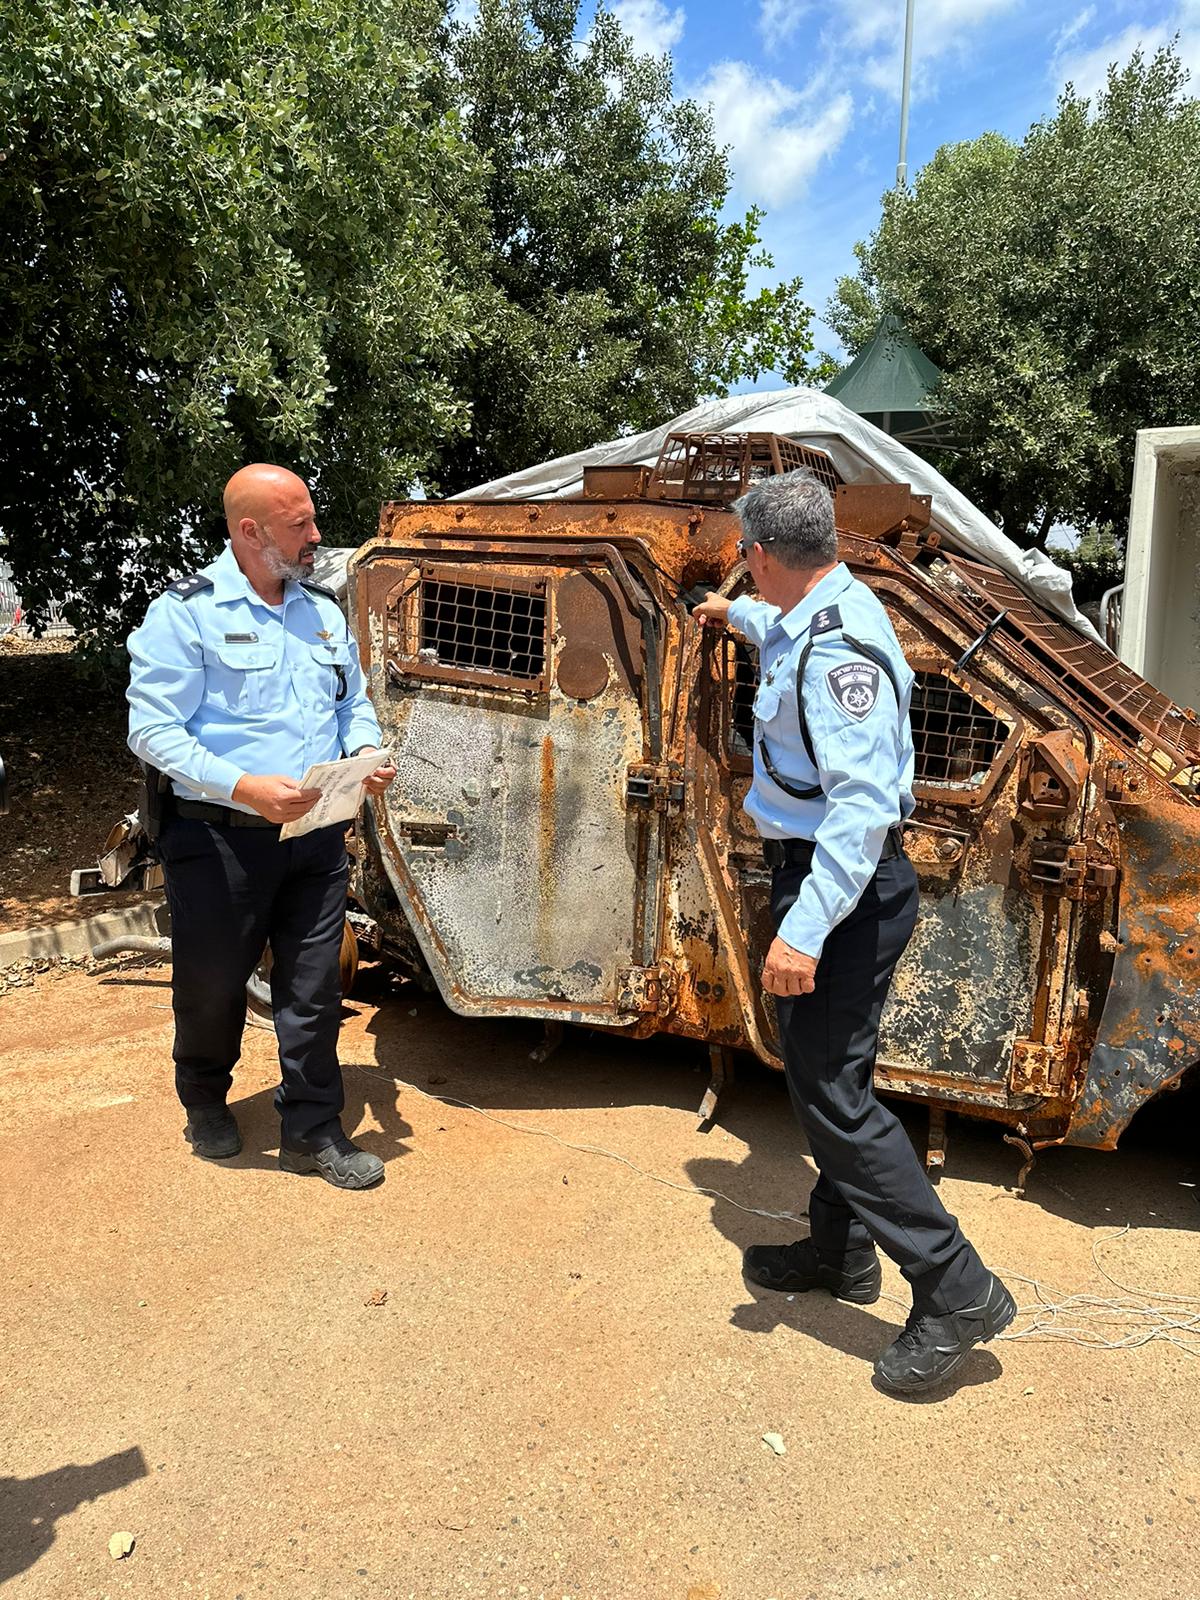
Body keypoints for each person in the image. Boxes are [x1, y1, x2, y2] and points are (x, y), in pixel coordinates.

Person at [692, 469, 1014, 1393]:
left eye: (741, 561)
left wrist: (800, 933)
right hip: (838, 887)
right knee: (833, 1078)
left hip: (844, 890)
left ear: (759, 554)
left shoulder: (841, 650)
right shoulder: (811, 611)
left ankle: (957, 1289)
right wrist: (733, 619)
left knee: (833, 1097)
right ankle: (841, 1254)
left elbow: (862, 808)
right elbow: (779, 635)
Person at [127, 464, 397, 1190]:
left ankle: (313, 1128)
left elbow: (352, 702)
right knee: (211, 986)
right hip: (219, 841)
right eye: (299, 524)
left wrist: (365, 752)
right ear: (250, 532)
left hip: (314, 834)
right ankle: (205, 1098)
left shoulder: (321, 611)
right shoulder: (186, 613)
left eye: (312, 520)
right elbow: (153, 731)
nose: (316, 536)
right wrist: (243, 784)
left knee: (312, 989)